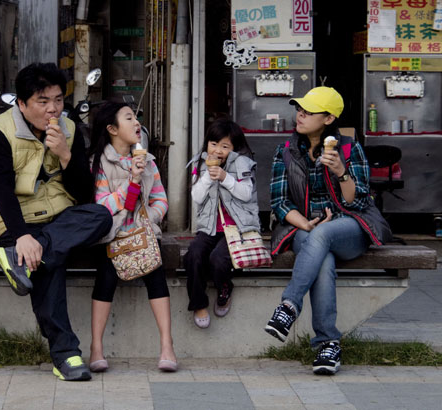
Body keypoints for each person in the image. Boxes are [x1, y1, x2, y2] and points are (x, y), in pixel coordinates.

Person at [0, 62, 112, 381]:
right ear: (21, 104)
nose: (53, 109)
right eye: (43, 101)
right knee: (49, 263)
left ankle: (27, 259)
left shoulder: (70, 128)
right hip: (11, 221)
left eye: (58, 99)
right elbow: (0, 192)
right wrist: (22, 236)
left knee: (101, 216)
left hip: (54, 220)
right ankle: (66, 354)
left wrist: (65, 154)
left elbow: (84, 194)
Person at [265, 87, 392, 375]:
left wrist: (341, 172)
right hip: (303, 225)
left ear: (328, 118)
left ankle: (289, 305)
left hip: (349, 225)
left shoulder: (348, 148)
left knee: (322, 236)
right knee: (321, 254)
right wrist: (305, 223)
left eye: (309, 112)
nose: (300, 115)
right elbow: (279, 202)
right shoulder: (285, 151)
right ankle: (328, 345)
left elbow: (359, 201)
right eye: (299, 109)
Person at [87, 101, 177, 372]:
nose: (137, 123)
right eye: (129, 119)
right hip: (112, 234)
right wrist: (132, 182)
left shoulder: (147, 160)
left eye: (136, 118)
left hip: (144, 231)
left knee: (156, 272)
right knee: (105, 275)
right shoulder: (99, 162)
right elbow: (103, 205)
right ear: (112, 129)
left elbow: (161, 199)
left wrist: (147, 220)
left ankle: (167, 346)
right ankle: (96, 348)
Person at [184, 118, 259, 328]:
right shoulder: (200, 163)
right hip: (209, 227)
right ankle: (199, 304)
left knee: (219, 259)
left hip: (238, 228)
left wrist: (225, 177)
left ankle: (225, 288)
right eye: (213, 144)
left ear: (234, 148)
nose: (218, 150)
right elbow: (197, 197)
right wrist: (208, 176)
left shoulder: (242, 163)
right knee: (194, 255)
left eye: (225, 146)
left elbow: (246, 194)